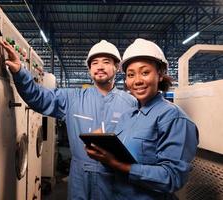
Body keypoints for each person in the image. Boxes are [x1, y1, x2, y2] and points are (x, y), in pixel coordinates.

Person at [0, 40, 137, 200]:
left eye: (106, 62)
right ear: (89, 69)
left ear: (117, 67)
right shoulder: (72, 98)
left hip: (114, 178)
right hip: (80, 177)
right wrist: (19, 72)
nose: (100, 67)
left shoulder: (131, 103)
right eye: (94, 63)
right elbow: (38, 97)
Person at [85, 38, 199, 199]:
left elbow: (173, 177)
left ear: (160, 75)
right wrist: (101, 146)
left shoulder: (174, 118)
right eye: (131, 75)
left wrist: (118, 164)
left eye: (145, 72)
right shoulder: (127, 116)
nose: (137, 80)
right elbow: (120, 154)